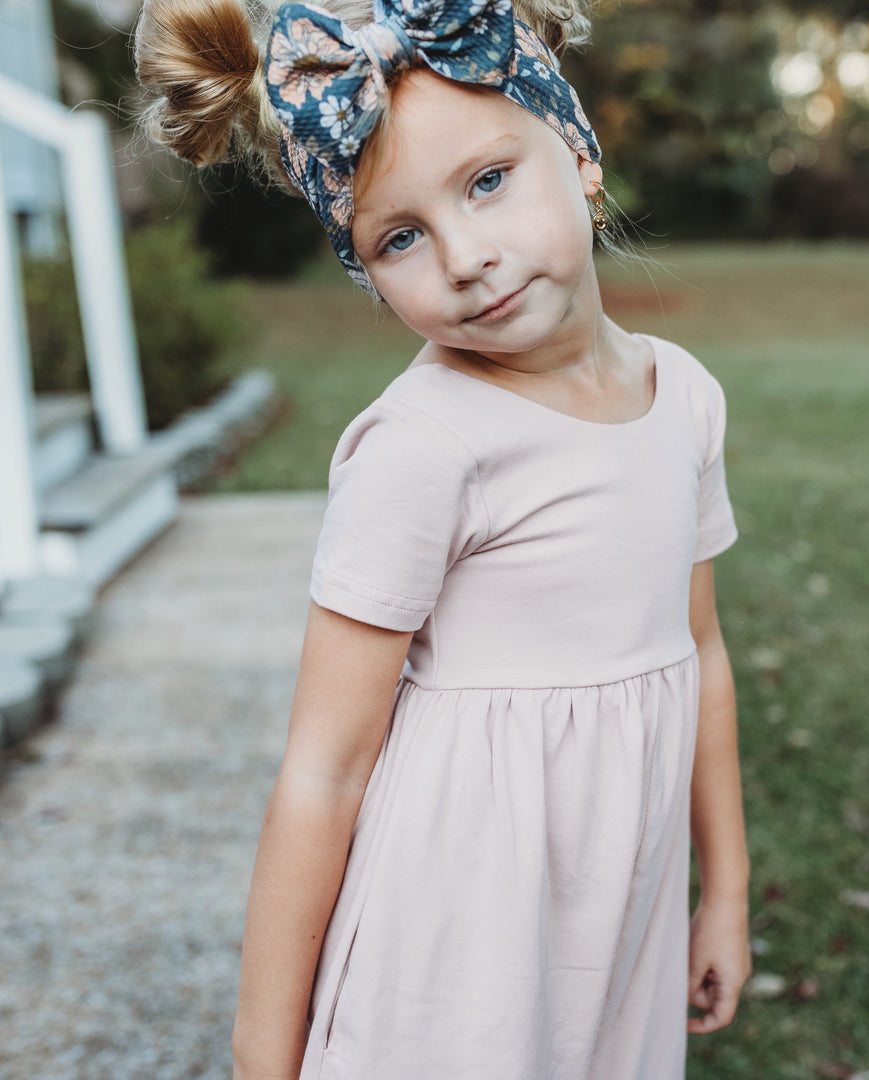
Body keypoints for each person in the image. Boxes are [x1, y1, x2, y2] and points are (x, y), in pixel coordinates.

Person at [134, 1, 753, 1077]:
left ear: (580, 155)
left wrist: (726, 893)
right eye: (401, 237)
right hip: (454, 951)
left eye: (487, 181)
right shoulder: (425, 446)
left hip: (615, 932)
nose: (466, 257)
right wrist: (259, 1060)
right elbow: (323, 770)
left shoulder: (684, 400)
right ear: (367, 271)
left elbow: (696, 657)